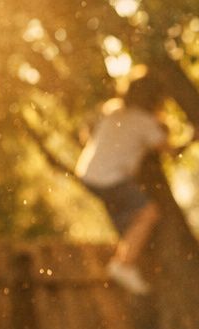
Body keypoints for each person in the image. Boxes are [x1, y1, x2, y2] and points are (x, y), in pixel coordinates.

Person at [76, 71, 177, 296]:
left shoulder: (113, 111)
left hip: (88, 173)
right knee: (148, 213)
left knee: (131, 219)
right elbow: (171, 151)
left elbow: (87, 133)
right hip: (108, 178)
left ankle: (127, 251)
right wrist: (194, 138)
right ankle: (123, 265)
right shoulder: (145, 122)